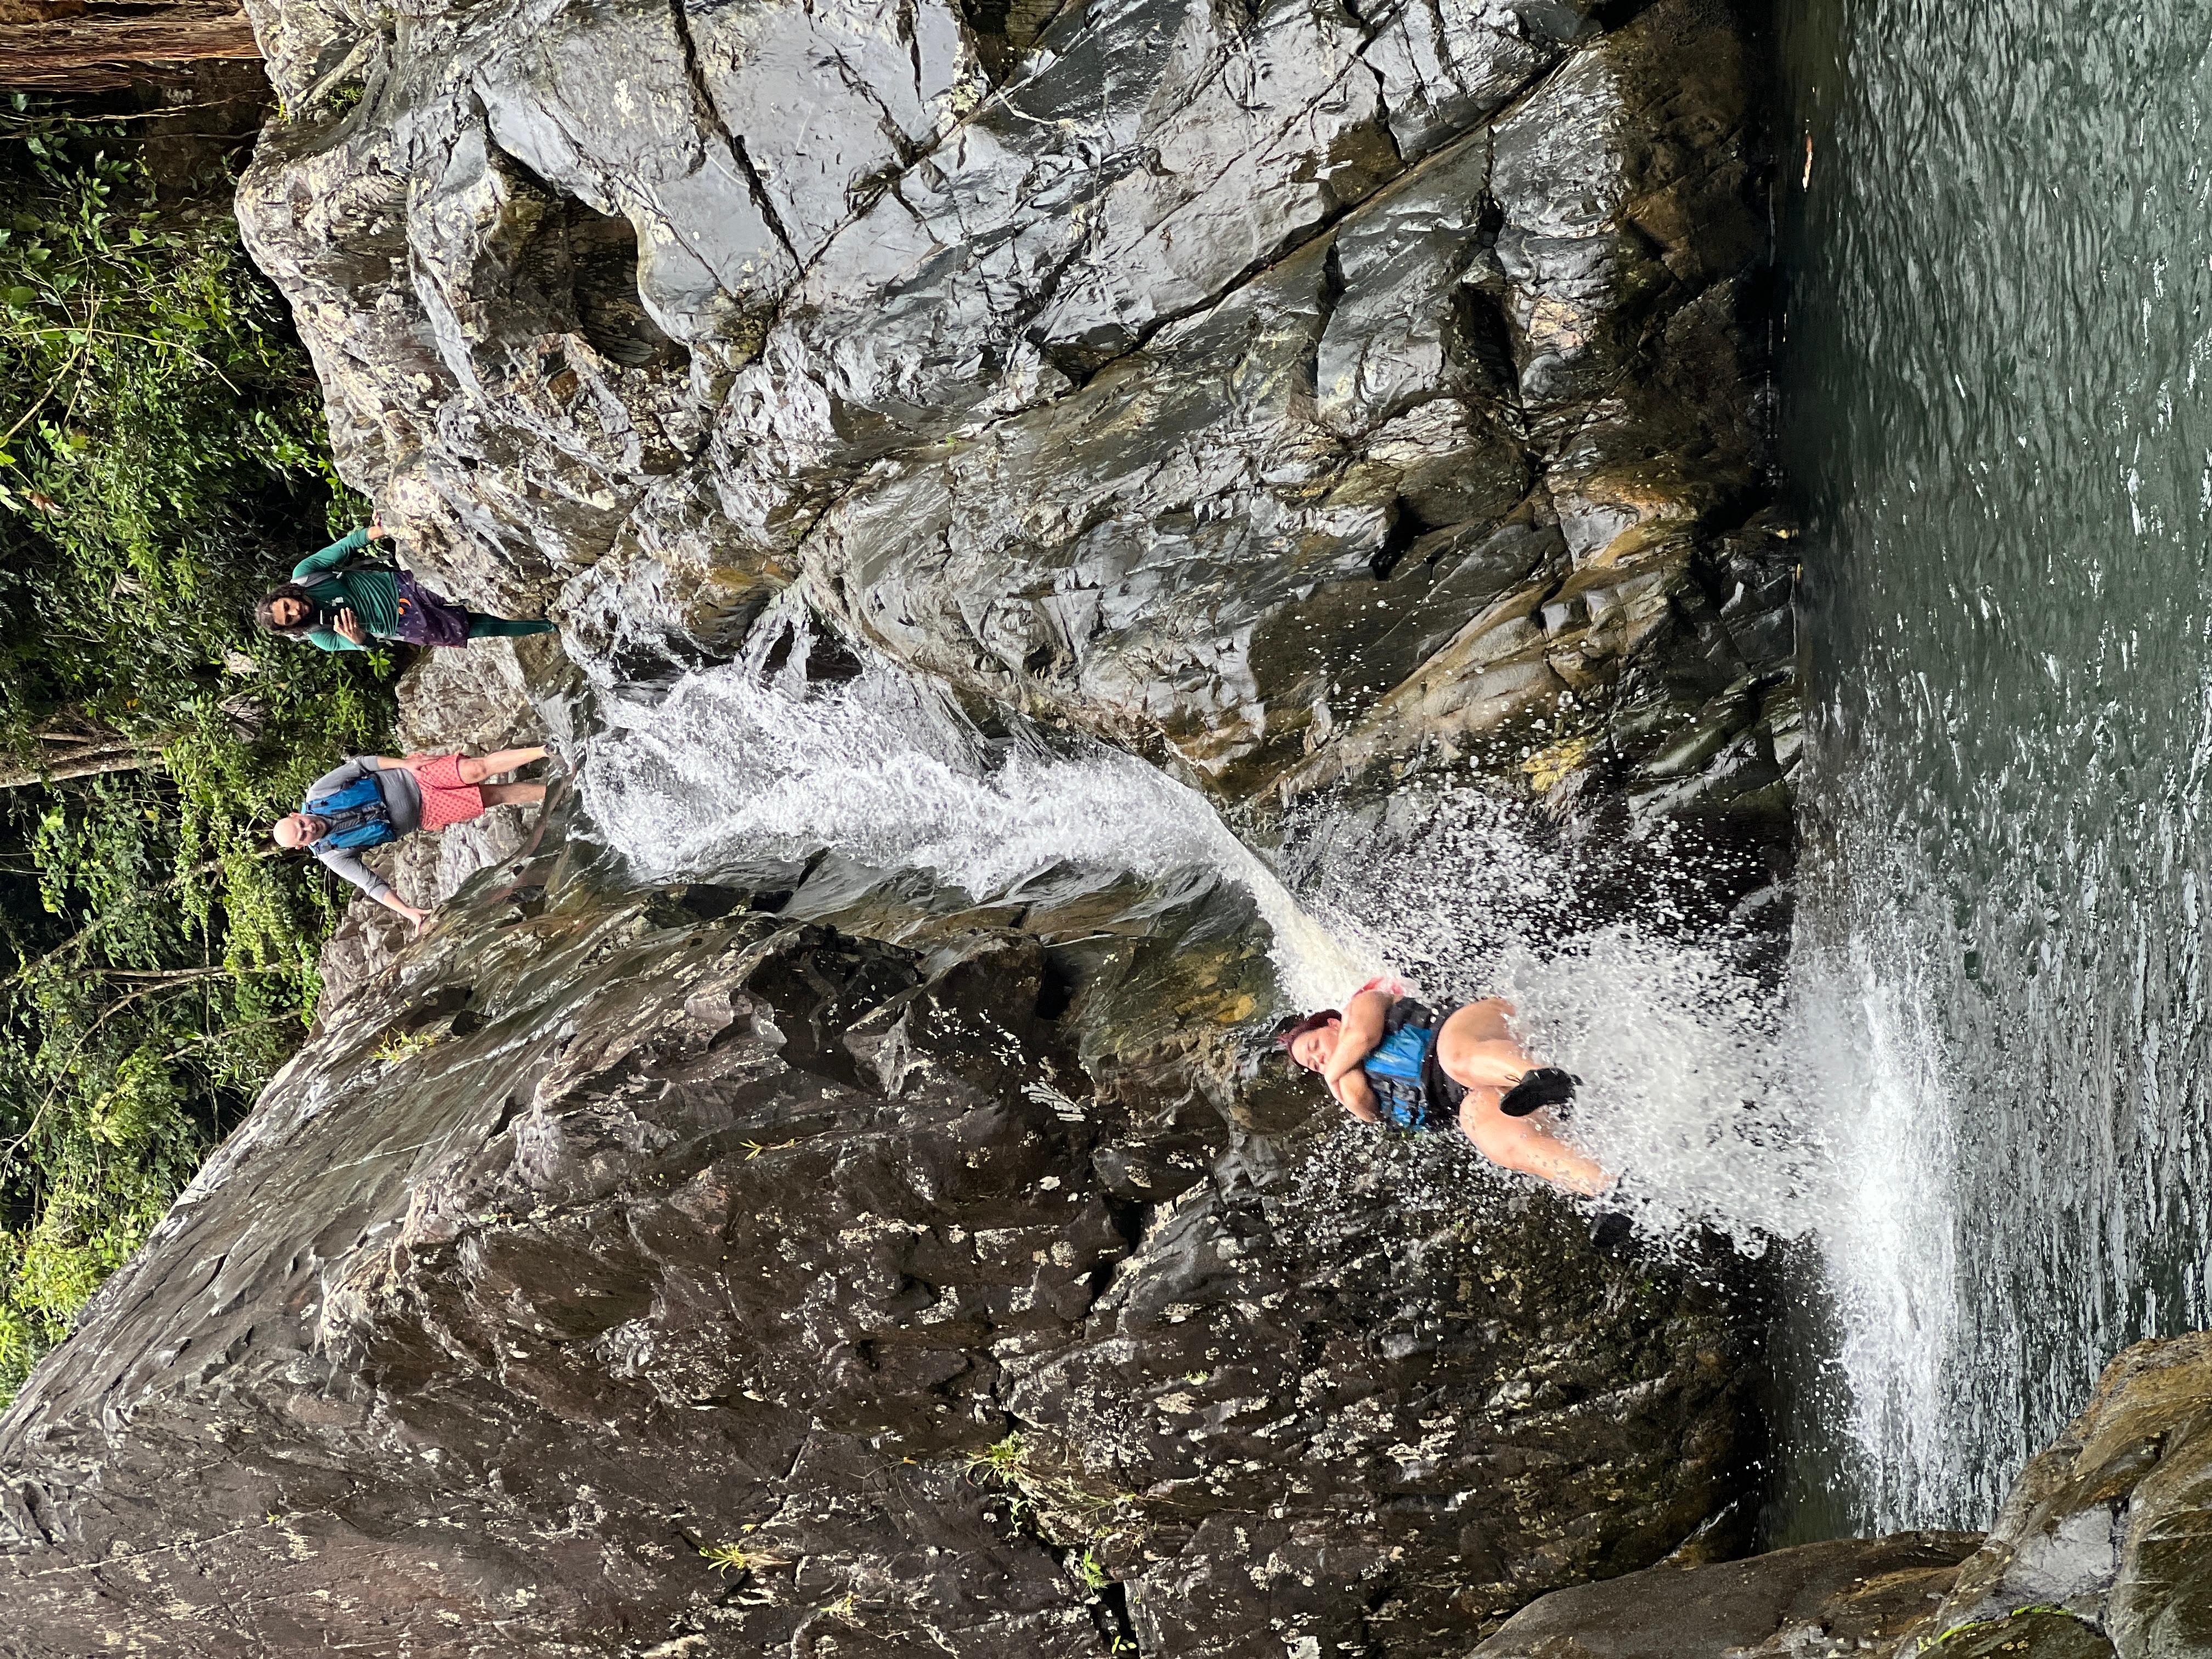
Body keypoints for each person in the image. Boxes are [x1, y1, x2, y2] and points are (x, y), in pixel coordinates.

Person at [1277, 988, 1612, 1195]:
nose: (1320, 1061)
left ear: (1332, 1025)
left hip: (1477, 1028)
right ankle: (1608, 1188)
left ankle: (1550, 1080)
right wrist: (1345, 1085)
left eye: (1315, 1047)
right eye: (1314, 1066)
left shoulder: (1360, 1006)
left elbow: (1362, 1037)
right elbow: (1362, 1104)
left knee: (1455, 1058)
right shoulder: (1355, 1085)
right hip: (1479, 1091)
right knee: (1488, 1132)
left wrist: (1332, 1076)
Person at [270, 747, 550, 932]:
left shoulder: (319, 793)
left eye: (302, 824)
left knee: (478, 769)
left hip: (414, 777)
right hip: (427, 813)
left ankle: (545, 750)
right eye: (304, 836)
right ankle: (556, 790)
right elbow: (371, 884)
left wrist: (407, 764)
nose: (310, 829)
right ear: (302, 845)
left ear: (298, 814)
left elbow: (362, 766)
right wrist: (409, 912)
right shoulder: (333, 854)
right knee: (494, 796)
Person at [255, 518, 555, 652]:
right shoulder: (323, 636)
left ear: (284, 595)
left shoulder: (306, 575)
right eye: (290, 619)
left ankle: (543, 578)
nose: (295, 611)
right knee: (484, 627)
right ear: (291, 627)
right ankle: (550, 625)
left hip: (402, 585)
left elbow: (346, 547)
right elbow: (371, 645)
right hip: (405, 626)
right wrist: (358, 637)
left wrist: (380, 530)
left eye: (286, 606)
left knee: (475, 582)